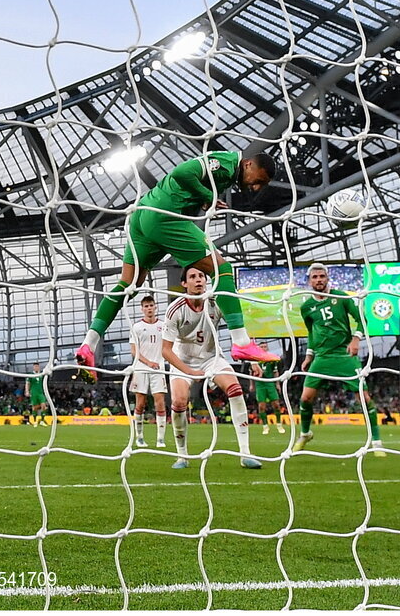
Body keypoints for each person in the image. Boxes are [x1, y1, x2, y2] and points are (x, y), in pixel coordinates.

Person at [75, 151, 280, 383]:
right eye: (258, 179)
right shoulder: (228, 162)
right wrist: (207, 196)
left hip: (142, 217)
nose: (255, 187)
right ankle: (242, 342)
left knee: (128, 285)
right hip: (165, 216)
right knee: (223, 269)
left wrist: (202, 197)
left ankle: (88, 346)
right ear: (249, 163)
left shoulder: (228, 174)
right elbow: (181, 173)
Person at [163, 266, 265, 470]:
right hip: (183, 361)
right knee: (179, 401)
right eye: (193, 277)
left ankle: (245, 453)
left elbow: (239, 330)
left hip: (211, 358)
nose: (198, 279)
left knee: (236, 390)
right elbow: (166, 350)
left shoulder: (216, 302)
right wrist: (190, 372)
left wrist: (253, 360)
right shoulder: (175, 309)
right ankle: (182, 456)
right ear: (184, 284)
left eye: (201, 275)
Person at [292, 263, 386, 457]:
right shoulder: (307, 307)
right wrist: (309, 355)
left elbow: (362, 318)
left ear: (327, 278)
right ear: (309, 281)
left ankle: (376, 442)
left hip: (345, 356)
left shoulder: (340, 297)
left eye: (321, 276)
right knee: (305, 398)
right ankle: (305, 434)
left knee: (364, 398)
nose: (318, 280)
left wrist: (356, 338)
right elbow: (312, 333)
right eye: (315, 277)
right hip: (322, 357)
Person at [128, 295, 169, 448]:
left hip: (158, 369)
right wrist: (148, 362)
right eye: (146, 306)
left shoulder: (163, 326)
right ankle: (139, 437)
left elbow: (168, 347)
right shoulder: (137, 327)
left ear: (155, 306)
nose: (149, 308)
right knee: (140, 404)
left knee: (160, 403)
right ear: (142, 309)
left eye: (151, 305)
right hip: (141, 368)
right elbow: (134, 351)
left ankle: (160, 439)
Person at [252, 341, 286, 435]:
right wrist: (252, 385)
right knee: (261, 406)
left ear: (267, 348)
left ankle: (279, 424)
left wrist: (277, 384)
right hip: (260, 384)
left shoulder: (271, 359)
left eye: (265, 346)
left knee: (276, 405)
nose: (263, 348)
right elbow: (251, 372)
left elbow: (275, 372)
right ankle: (265, 426)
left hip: (270, 383)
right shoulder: (254, 360)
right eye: (261, 346)